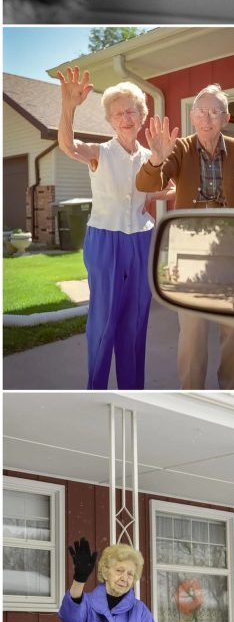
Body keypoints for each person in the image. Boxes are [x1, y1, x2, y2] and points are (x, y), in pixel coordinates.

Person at [136, 81, 234, 389]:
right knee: (192, 333)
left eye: (214, 112)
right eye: (200, 112)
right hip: (190, 256)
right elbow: (147, 184)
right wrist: (156, 158)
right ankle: (192, 396)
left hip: (232, 254)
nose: (206, 119)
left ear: (226, 118)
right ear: (192, 116)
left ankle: (232, 395)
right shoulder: (179, 148)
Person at [57, 66, 154, 388]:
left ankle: (133, 391)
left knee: (136, 320)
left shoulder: (153, 157)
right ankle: (95, 388)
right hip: (105, 240)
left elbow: (158, 190)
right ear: (110, 121)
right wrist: (68, 107)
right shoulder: (99, 152)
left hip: (141, 239)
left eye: (131, 111)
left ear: (141, 115)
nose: (125, 117)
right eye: (118, 113)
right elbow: (68, 146)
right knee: (105, 319)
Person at [59, 538, 161, 622]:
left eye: (130, 574)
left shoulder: (141, 613)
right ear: (106, 573)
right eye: (119, 571)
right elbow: (69, 616)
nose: (124, 578)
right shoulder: (88, 604)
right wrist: (79, 579)